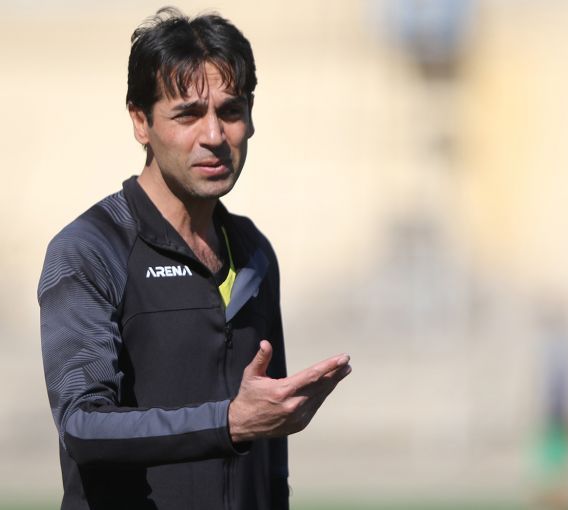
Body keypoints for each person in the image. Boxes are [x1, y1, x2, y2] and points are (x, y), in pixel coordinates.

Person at [38, 8, 352, 510]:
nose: (214, 136)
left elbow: (272, 459)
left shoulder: (253, 252)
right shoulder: (91, 249)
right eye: (187, 115)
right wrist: (228, 423)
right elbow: (83, 426)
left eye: (230, 111)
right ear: (140, 121)